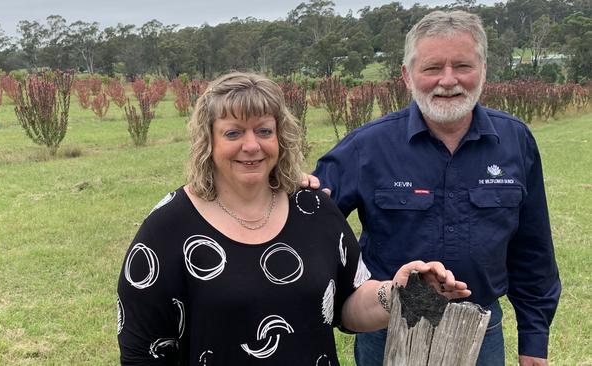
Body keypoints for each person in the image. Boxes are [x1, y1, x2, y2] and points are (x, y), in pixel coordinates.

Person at [117, 72, 470, 365]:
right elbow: (140, 350)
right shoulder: (170, 225)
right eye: (233, 132)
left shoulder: (314, 210)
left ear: (280, 137)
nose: (252, 145)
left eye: (264, 130)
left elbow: (347, 307)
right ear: (208, 141)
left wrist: (397, 295)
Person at [311, 10, 561, 366]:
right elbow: (309, 218)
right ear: (407, 76)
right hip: (390, 327)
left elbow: (533, 249)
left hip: (479, 328)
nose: (448, 80)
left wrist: (534, 339)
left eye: (462, 65)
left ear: (484, 70)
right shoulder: (368, 147)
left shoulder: (514, 141)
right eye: (431, 68)